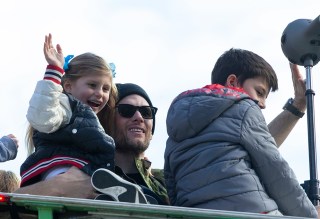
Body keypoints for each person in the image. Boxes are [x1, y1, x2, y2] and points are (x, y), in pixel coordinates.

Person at [164, 48, 317, 218]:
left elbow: (172, 189)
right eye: (259, 92)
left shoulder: (174, 133)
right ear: (232, 82)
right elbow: (276, 171)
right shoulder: (244, 107)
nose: (263, 104)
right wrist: (309, 215)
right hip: (252, 212)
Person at [16, 83, 168, 205]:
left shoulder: (168, 182)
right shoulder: (83, 171)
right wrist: (55, 188)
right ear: (105, 122)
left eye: (147, 112)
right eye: (126, 110)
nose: (138, 117)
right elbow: (10, 201)